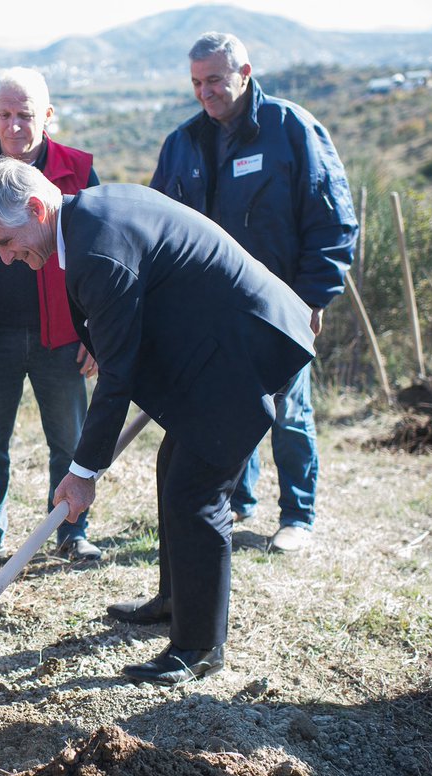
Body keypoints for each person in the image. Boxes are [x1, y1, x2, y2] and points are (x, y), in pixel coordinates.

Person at [0, 158, 315, 686]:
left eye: (7, 243)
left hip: (241, 348)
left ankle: (199, 647)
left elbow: (117, 375)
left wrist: (83, 472)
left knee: (196, 494)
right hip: (210, 347)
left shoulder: (95, 249)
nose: (8, 258)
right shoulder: (87, 218)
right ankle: (176, 601)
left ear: (37, 208)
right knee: (173, 466)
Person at [150, 32, 357, 554]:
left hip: (280, 307)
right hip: (210, 314)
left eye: (215, 80)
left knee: (288, 411)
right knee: (225, 409)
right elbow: (157, 226)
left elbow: (333, 222)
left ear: (245, 73)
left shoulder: (291, 130)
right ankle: (238, 499)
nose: (205, 92)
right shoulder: (183, 144)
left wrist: (313, 297)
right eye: (197, 82)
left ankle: (297, 517)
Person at [0, 67, 102, 564]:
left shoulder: (76, 167)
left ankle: (72, 532)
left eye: (24, 115)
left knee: (70, 442)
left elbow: (96, 255)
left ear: (47, 117)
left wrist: (94, 333)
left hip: (62, 335)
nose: (13, 126)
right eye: (3, 115)